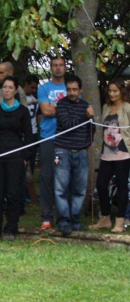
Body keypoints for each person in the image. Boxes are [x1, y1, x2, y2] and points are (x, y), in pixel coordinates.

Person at [0, 76, 32, 241]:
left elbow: (28, 135)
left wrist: (24, 157)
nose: (6, 90)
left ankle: (11, 228)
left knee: (13, 193)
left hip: (15, 157)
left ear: (15, 90)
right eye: (4, 87)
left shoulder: (23, 111)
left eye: (10, 87)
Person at [53, 76, 94, 236]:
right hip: (62, 150)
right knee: (61, 189)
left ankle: (75, 221)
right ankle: (64, 222)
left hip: (81, 151)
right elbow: (68, 125)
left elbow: (92, 128)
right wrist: (86, 115)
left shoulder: (85, 106)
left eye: (75, 89)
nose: (71, 92)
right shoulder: (61, 105)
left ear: (80, 90)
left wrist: (87, 143)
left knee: (80, 189)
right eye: (69, 89)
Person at [89, 78, 130, 233]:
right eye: (110, 90)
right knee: (101, 185)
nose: (112, 94)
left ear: (121, 92)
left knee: (121, 187)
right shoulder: (106, 107)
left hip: (123, 154)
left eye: (115, 91)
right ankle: (105, 218)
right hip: (107, 154)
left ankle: (120, 221)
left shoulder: (127, 108)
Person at [38, 57, 67, 230]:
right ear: (51, 68)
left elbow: (53, 109)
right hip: (48, 137)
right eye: (54, 65)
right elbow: (45, 110)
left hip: (67, 138)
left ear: (65, 67)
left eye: (60, 65)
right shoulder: (44, 88)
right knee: (47, 177)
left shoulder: (70, 86)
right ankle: (46, 218)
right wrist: (65, 109)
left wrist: (54, 108)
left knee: (64, 179)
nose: (57, 68)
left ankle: (64, 217)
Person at [23, 75, 40, 204]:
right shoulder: (21, 96)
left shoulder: (36, 99)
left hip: (33, 133)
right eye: (31, 87)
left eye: (35, 88)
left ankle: (29, 193)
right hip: (23, 134)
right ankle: (23, 192)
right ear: (26, 84)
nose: (33, 90)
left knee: (31, 164)